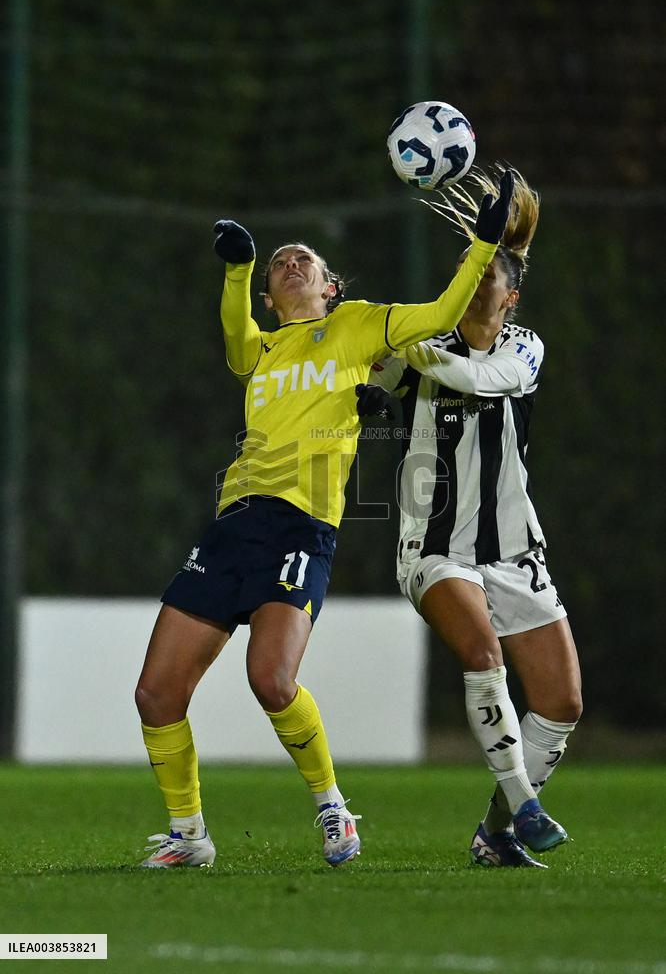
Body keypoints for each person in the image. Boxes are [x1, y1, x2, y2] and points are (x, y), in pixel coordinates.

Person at [134, 171, 515, 868]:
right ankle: (190, 836)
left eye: (302, 257)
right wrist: (237, 269)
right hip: (234, 524)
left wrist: (482, 244)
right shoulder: (262, 349)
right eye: (279, 263)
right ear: (271, 297)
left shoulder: (359, 322)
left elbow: (436, 315)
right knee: (155, 694)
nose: (291, 261)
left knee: (271, 680)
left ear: (329, 286)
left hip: (301, 524)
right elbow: (233, 339)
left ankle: (333, 808)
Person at [358, 167, 582, 868]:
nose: (476, 277)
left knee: (562, 703)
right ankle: (526, 806)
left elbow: (483, 380)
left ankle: (496, 833)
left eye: (489, 272)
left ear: (512, 295)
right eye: (467, 266)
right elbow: (362, 376)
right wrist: (369, 386)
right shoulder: (419, 345)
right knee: (482, 653)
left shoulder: (523, 349)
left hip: (515, 547)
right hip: (434, 546)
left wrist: (403, 357)